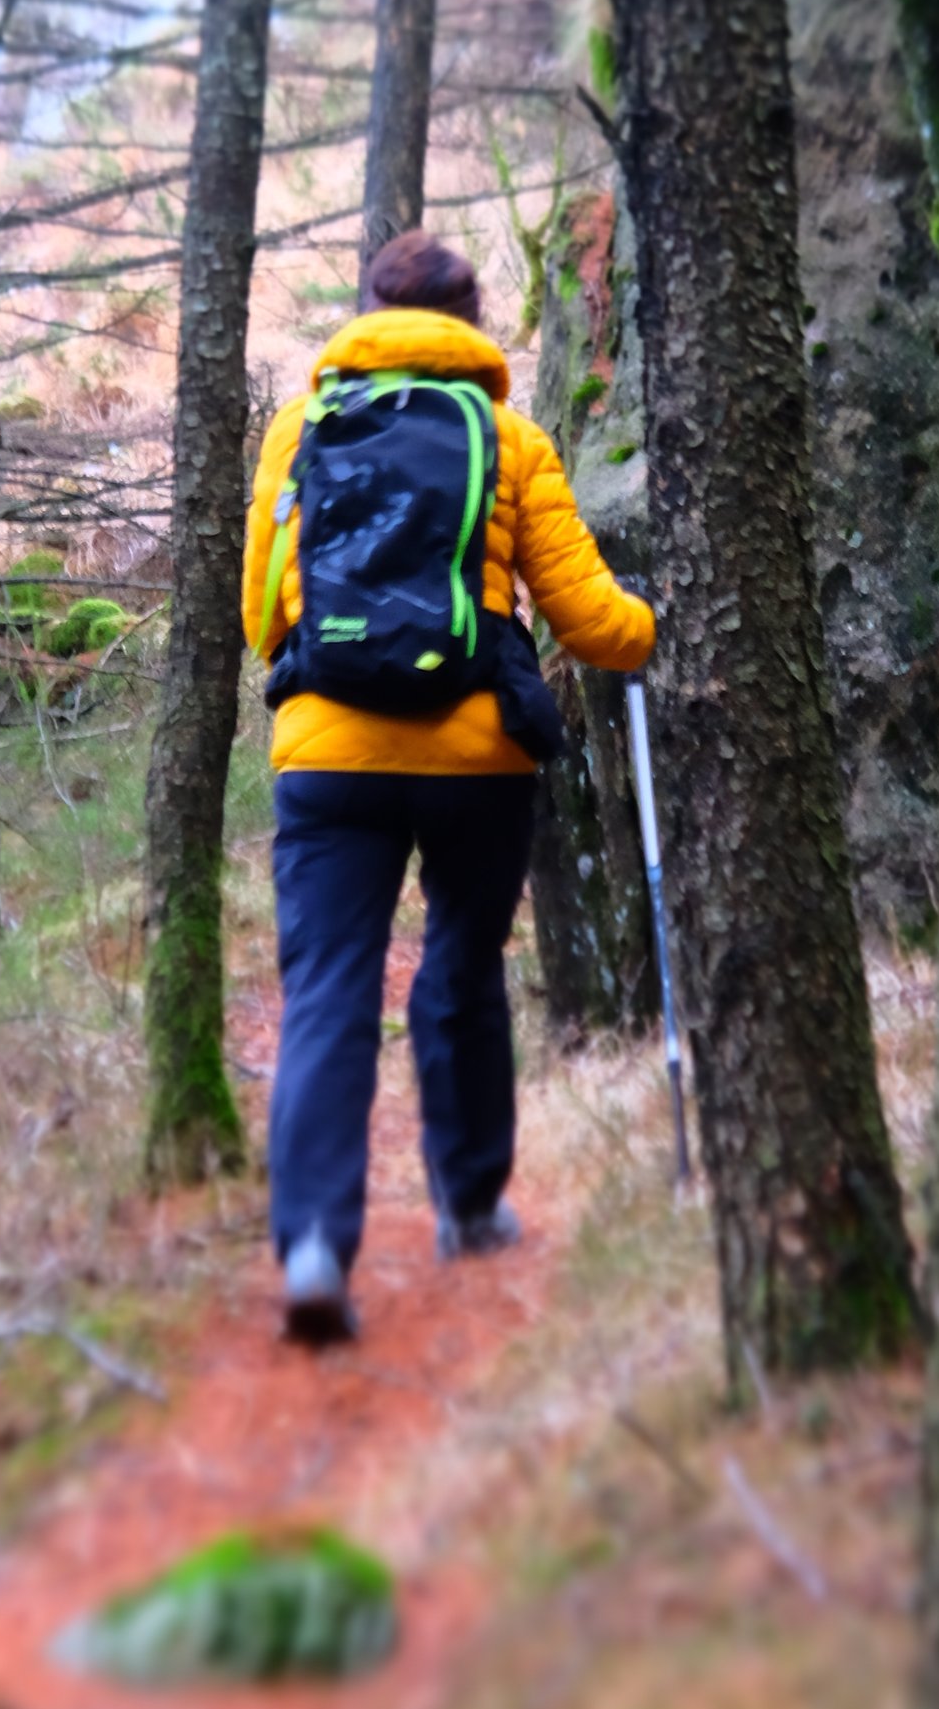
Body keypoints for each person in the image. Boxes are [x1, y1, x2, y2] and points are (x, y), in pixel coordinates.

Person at [241, 228, 655, 1342]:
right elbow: (591, 623)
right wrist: (650, 621)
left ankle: (318, 1246)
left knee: (329, 988)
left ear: (366, 309)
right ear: (472, 322)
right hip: (477, 761)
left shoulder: (302, 427)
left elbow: (262, 614)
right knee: (462, 972)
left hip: (329, 759)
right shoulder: (511, 438)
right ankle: (469, 1208)